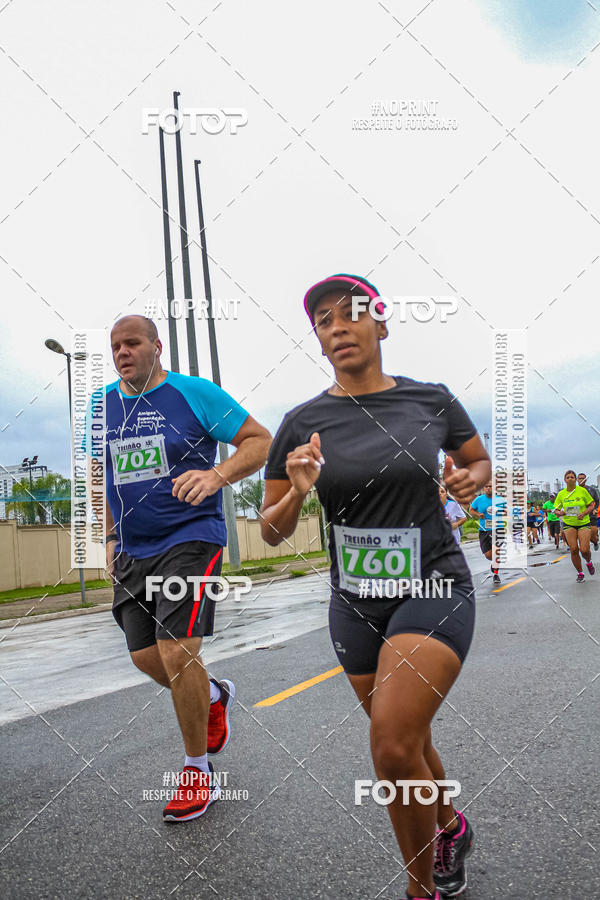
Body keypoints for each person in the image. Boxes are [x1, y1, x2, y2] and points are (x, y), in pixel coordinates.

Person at [260, 274, 491, 900]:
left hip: (434, 586)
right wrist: (300, 489)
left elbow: (477, 460)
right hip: (355, 603)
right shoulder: (302, 423)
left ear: (381, 324)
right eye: (323, 321)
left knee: (390, 745)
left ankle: (421, 890)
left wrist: (469, 479)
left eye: (351, 314)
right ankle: (450, 824)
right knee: (407, 741)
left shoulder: (430, 401)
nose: (337, 327)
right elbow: (272, 531)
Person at [102, 315, 271, 821]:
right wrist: (110, 536)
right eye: (115, 346)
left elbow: (258, 441)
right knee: (146, 658)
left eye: (132, 343)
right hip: (134, 546)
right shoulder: (102, 406)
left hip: (191, 537)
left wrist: (217, 474)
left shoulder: (194, 393)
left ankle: (197, 770)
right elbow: (104, 473)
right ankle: (215, 694)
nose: (122, 353)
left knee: (178, 651)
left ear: (157, 346)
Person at [554, 470, 595, 582]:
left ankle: (589, 562)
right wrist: (559, 513)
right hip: (569, 524)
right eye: (568, 477)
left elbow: (592, 505)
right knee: (573, 549)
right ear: (565, 480)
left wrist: (584, 513)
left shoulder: (582, 491)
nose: (570, 479)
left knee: (584, 550)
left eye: (572, 477)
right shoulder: (561, 494)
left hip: (583, 523)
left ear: (576, 479)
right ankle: (580, 573)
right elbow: (555, 510)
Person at [469, 483, 505, 584]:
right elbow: (471, 510)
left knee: (496, 551)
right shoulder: (479, 499)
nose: (488, 488)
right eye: (486, 487)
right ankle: (494, 562)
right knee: (488, 555)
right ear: (484, 488)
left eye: (490, 486)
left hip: (498, 529)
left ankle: (496, 574)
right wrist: (478, 514)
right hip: (484, 530)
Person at [577, 473, 599, 551]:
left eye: (583, 478)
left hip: (591, 515)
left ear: (585, 480)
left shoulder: (591, 490)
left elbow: (597, 501)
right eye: (579, 478)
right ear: (577, 479)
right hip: (580, 517)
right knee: (586, 536)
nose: (581, 480)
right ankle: (586, 552)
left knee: (592, 533)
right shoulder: (574, 491)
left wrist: (595, 509)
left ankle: (595, 541)